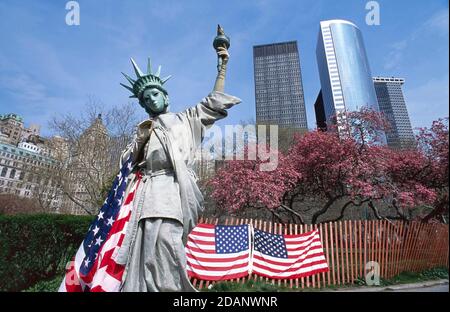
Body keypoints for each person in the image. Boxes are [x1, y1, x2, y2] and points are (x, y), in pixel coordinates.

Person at [115, 45, 241, 291]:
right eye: (146, 98)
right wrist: (141, 139)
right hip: (146, 191)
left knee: (166, 240)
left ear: (166, 96)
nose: (151, 99)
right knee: (142, 247)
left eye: (154, 94)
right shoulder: (143, 130)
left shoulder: (187, 118)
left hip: (173, 186)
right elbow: (127, 164)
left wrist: (222, 69)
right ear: (143, 105)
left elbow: (213, 103)